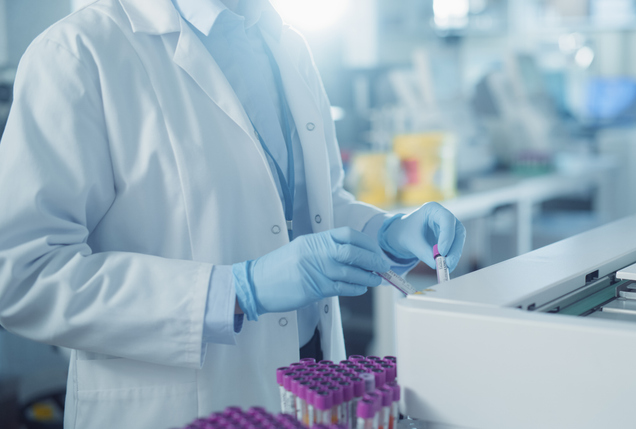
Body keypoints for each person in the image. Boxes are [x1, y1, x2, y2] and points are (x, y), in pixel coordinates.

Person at [0, 0, 465, 428]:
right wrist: (237, 291)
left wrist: (383, 233)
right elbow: (22, 276)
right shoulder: (79, 53)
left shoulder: (286, 44)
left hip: (315, 387)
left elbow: (314, 204)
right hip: (181, 403)